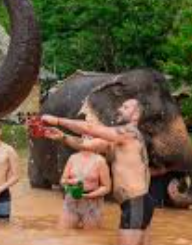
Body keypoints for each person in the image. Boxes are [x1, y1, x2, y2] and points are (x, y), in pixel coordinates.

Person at [42, 98, 154, 245]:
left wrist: (57, 121)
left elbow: (89, 129)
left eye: (125, 107)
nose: (120, 109)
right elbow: (86, 144)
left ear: (136, 115)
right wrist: (63, 137)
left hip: (136, 203)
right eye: (121, 106)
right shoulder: (118, 140)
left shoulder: (130, 132)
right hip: (135, 203)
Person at [44, 106, 111, 229]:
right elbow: (62, 181)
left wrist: (88, 196)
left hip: (92, 203)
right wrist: (69, 183)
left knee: (89, 239)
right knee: (63, 234)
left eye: (90, 136)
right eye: (85, 135)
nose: (87, 137)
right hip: (71, 201)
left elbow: (106, 187)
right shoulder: (73, 158)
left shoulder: (100, 161)